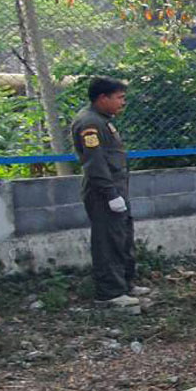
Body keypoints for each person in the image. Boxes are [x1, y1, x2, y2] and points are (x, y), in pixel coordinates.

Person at [71, 76, 147, 308]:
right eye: (119, 98)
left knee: (122, 237)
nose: (122, 103)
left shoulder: (103, 120)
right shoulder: (90, 124)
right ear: (102, 98)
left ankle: (124, 283)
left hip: (116, 189)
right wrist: (110, 193)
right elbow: (94, 163)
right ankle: (110, 292)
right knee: (108, 241)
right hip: (103, 193)